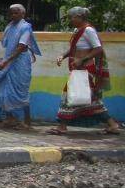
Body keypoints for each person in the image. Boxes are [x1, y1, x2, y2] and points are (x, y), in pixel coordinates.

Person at [49, 7, 121, 135]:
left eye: (72, 17)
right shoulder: (77, 30)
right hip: (78, 69)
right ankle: (112, 124)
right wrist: (63, 56)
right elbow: (73, 48)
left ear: (80, 17)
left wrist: (82, 60)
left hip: (84, 69)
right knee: (89, 99)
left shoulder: (88, 30)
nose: (71, 20)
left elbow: (98, 49)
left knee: (69, 94)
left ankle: (62, 126)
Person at [0, 3, 41, 129]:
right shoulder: (10, 27)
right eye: (11, 13)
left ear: (22, 14)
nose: (13, 15)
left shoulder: (25, 27)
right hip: (8, 62)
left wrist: (6, 61)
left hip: (20, 63)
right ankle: (10, 118)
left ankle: (27, 121)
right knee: (1, 85)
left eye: (16, 13)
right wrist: (6, 61)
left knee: (21, 91)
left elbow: (21, 47)